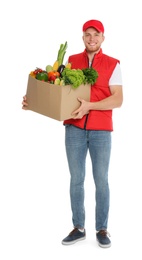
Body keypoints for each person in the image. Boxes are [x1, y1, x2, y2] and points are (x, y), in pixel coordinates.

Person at [22, 19, 123, 248]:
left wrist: (89, 106)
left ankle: (102, 229)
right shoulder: (71, 61)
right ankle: (79, 227)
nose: (92, 38)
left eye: (96, 34)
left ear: (103, 38)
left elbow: (118, 99)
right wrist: (34, 101)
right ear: (83, 37)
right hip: (74, 129)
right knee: (76, 180)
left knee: (101, 181)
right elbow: (58, 92)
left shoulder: (112, 64)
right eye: (88, 34)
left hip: (101, 131)